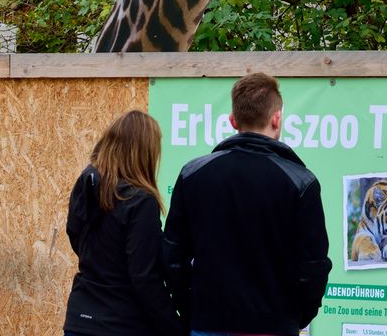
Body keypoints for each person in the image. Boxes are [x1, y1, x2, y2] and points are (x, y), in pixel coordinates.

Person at [163, 72, 332, 336]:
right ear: (277, 119)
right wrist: (294, 317)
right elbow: (314, 266)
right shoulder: (301, 182)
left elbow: (173, 256)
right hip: (273, 326)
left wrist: (190, 309)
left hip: (208, 324)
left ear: (233, 120)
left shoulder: (192, 175)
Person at [63, 109, 184, 336]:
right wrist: (175, 327)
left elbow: (75, 237)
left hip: (80, 319)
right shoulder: (140, 201)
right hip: (121, 323)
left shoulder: (87, 185)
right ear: (145, 152)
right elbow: (144, 276)